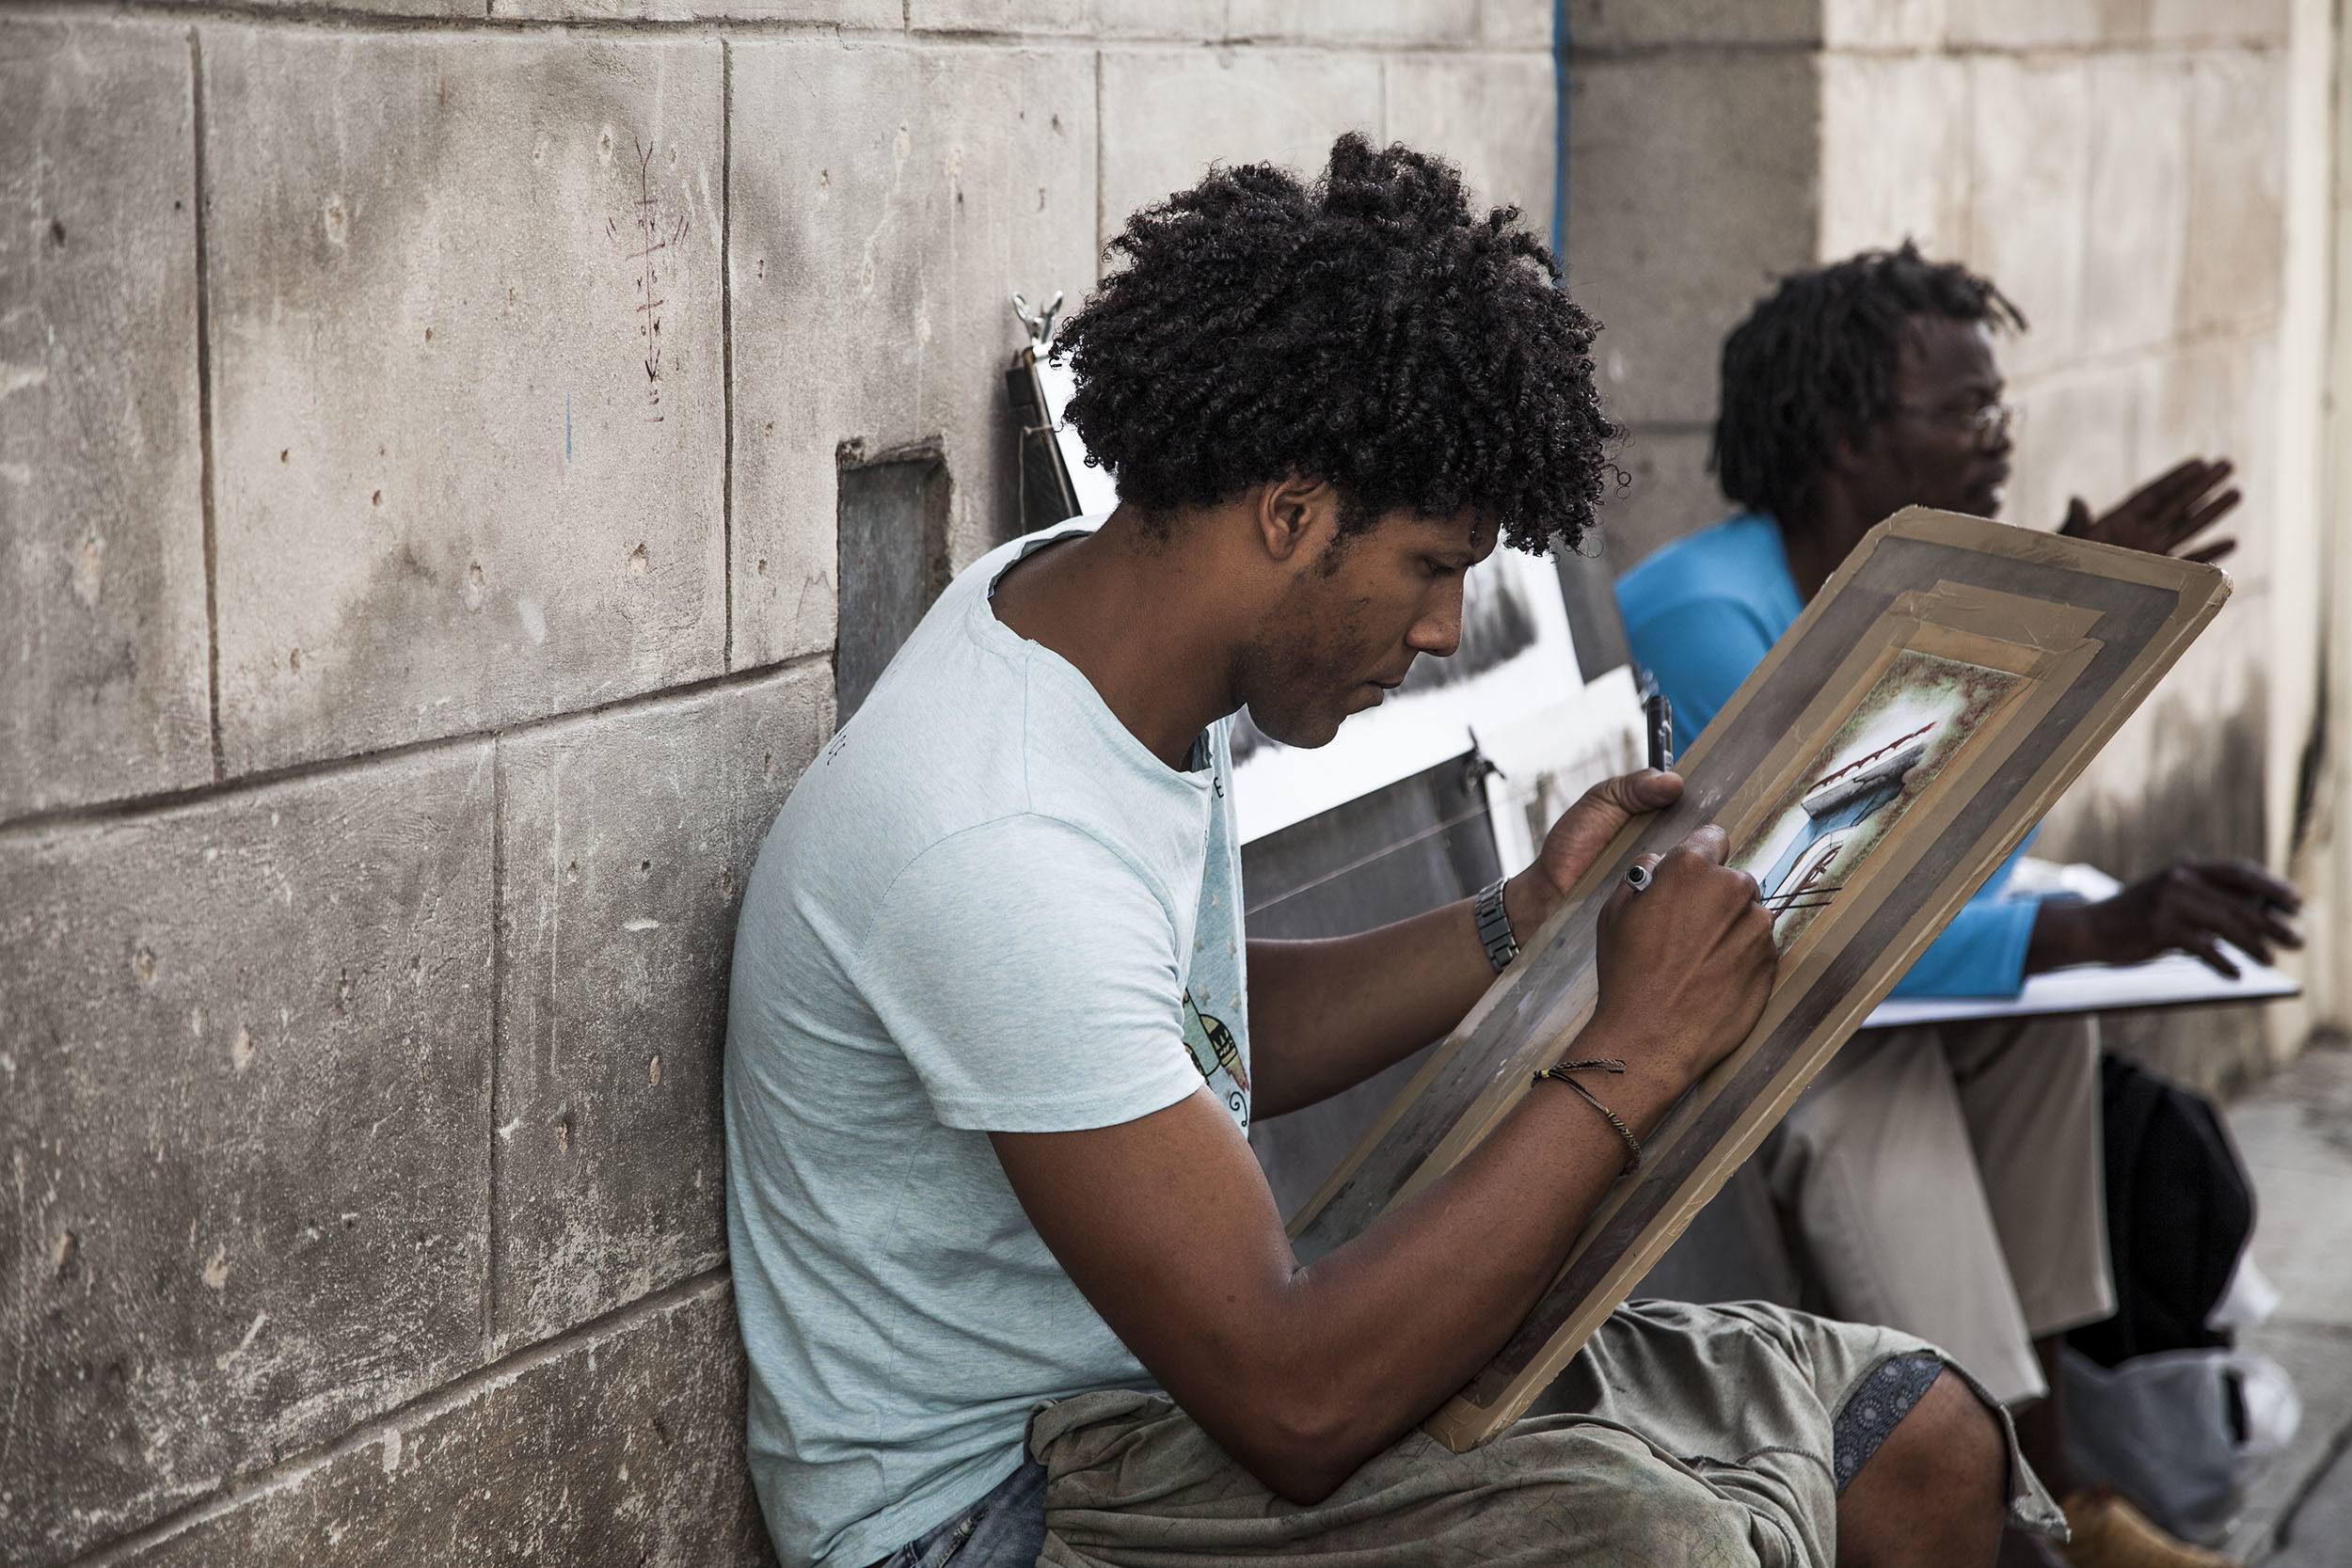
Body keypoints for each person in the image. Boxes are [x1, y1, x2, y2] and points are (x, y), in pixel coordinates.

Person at [723, 141, 2063, 1568]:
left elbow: (1194, 1033)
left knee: (1917, 1435)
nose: (1440, 632)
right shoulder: (997, 845)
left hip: (1155, 1408)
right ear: (1291, 514)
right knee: (1667, 1548)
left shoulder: (1101, 621)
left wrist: (1522, 918)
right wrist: (1636, 1055)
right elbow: (1297, 1401)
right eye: (1431, 567)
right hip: (995, 1505)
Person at [1615, 244, 2302, 1568]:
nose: (1998, 443)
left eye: (2001, 409)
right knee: (1886, 1091)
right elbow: (1818, 921)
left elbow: (1957, 875)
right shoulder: (1715, 614)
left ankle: (2052, 1485)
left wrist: (2055, 630)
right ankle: (1987, 1512)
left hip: (1813, 998)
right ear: (1842, 439)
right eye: (1964, 412)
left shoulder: (1910, 594)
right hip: (1711, 1036)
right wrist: (2093, 924)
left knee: (2040, 1028)